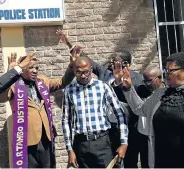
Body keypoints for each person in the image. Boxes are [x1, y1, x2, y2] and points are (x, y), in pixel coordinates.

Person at [56, 29, 143, 167]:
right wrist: (68, 43)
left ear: (125, 64)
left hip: (112, 135)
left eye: (115, 61)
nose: (111, 63)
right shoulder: (102, 73)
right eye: (112, 61)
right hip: (85, 141)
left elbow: (125, 112)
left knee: (128, 163)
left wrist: (124, 142)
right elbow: (85, 60)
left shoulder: (136, 80)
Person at [0, 49, 78, 168]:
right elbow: (0, 98)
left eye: (37, 68)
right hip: (26, 140)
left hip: (46, 137)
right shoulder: (14, 85)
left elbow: (62, 82)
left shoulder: (42, 81)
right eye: (31, 68)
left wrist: (72, 65)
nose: (35, 71)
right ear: (22, 69)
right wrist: (10, 75)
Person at [121, 52, 184, 168]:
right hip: (160, 162)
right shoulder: (161, 93)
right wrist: (128, 89)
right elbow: (141, 109)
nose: (166, 75)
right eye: (165, 70)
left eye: (170, 71)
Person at [62, 57, 128, 168]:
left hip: (102, 142)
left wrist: (124, 143)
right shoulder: (69, 90)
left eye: (86, 72)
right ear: (74, 71)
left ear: (91, 69)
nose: (83, 76)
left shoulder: (103, 87)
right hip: (81, 144)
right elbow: (65, 121)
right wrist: (70, 150)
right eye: (78, 72)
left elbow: (120, 115)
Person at [131, 66, 165, 168]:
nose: (146, 84)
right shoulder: (141, 90)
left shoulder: (167, 93)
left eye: (149, 81)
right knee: (146, 164)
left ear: (159, 78)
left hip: (159, 137)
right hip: (143, 137)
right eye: (144, 81)